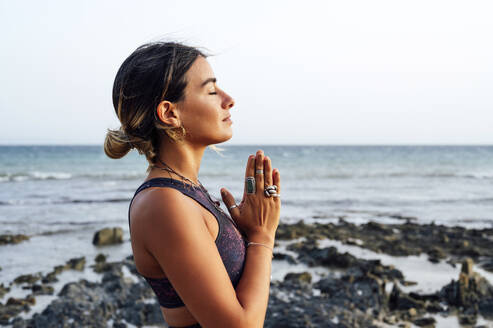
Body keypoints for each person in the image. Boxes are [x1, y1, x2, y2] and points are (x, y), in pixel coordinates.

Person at [104, 41, 281, 328]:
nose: (228, 99)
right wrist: (263, 236)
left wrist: (250, 233)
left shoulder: (185, 191)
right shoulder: (164, 204)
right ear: (170, 113)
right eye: (211, 91)